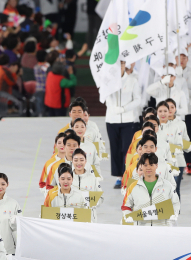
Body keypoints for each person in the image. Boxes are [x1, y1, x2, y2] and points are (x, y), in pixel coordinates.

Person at [43, 164, 88, 260]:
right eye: (62, 178)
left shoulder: (79, 195)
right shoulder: (51, 195)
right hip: (58, 239)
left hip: (74, 238)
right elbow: (46, 215)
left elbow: (85, 216)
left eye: (69, 178)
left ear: (73, 179)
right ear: (58, 179)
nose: (66, 181)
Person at [105, 61, 141, 189]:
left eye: (122, 64)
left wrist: (124, 109)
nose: (119, 66)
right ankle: (119, 177)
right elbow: (103, 97)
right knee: (115, 148)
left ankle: (128, 174)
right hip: (111, 120)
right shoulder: (108, 81)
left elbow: (137, 99)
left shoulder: (132, 80)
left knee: (126, 148)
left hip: (127, 120)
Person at [122, 153, 181, 227]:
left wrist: (175, 213)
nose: (148, 168)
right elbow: (126, 205)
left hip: (162, 229)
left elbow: (175, 202)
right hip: (141, 229)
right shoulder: (133, 186)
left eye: (151, 165)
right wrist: (127, 214)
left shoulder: (167, 185)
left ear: (156, 166)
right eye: (145, 165)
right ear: (141, 166)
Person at [71, 148, 104, 222]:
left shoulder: (93, 179)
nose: (79, 163)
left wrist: (93, 202)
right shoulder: (67, 179)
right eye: (76, 160)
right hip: (72, 217)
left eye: (82, 160)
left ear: (86, 161)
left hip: (89, 219)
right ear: (72, 161)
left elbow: (101, 197)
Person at [33, 50, 49, 116]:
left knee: (40, 109)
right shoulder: (47, 67)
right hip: (47, 89)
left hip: (38, 89)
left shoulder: (35, 67)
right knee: (46, 109)